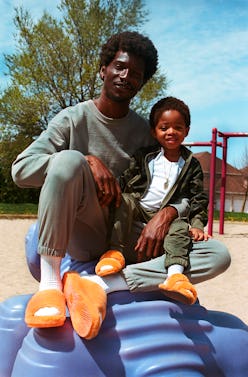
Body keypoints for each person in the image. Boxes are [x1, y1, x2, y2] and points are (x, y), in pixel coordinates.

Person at [12, 31, 231, 340]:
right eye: (119, 66)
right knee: (66, 161)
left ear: (141, 84)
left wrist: (168, 213)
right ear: (104, 69)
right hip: (87, 232)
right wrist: (86, 159)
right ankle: (49, 286)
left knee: (218, 254)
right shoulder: (72, 119)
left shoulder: (147, 132)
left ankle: (103, 284)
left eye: (136, 75)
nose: (126, 76)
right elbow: (21, 170)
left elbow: (182, 187)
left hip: (132, 236)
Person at [95, 96, 210, 306]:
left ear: (187, 130)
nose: (171, 132)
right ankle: (114, 252)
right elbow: (127, 181)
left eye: (178, 127)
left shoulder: (191, 164)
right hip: (139, 208)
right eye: (164, 127)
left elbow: (197, 198)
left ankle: (175, 275)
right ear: (154, 131)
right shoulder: (145, 156)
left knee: (180, 228)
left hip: (166, 216)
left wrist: (197, 224)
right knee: (126, 201)